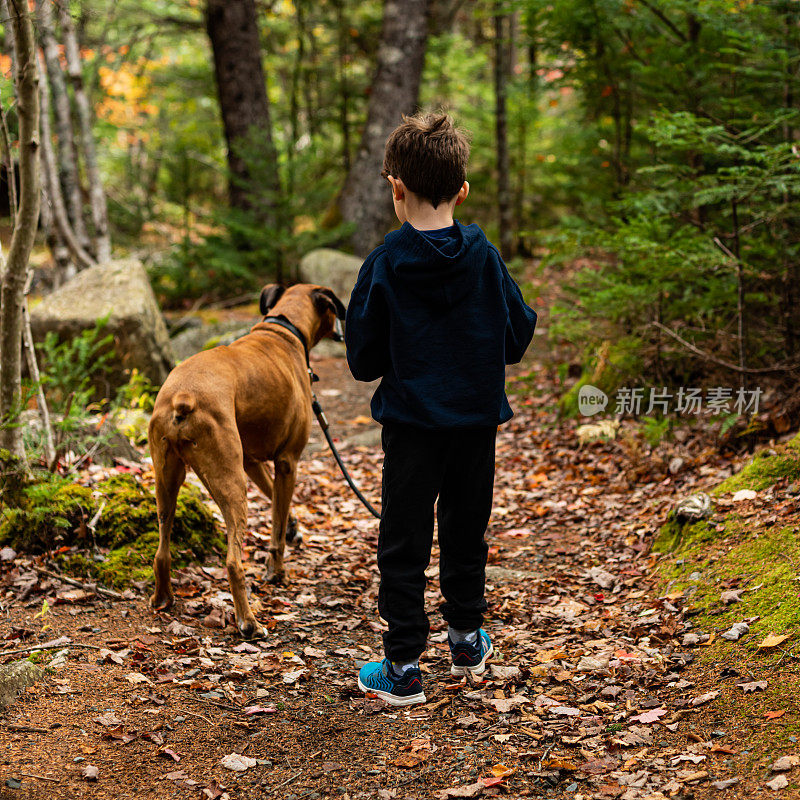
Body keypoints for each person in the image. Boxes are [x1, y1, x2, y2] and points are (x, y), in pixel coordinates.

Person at [345, 112, 538, 706]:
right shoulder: (486, 258)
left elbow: (362, 359)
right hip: (476, 425)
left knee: (403, 540)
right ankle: (464, 637)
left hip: (411, 429)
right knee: (464, 530)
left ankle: (403, 666)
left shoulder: (384, 263)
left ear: (396, 189)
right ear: (462, 190)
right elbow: (518, 335)